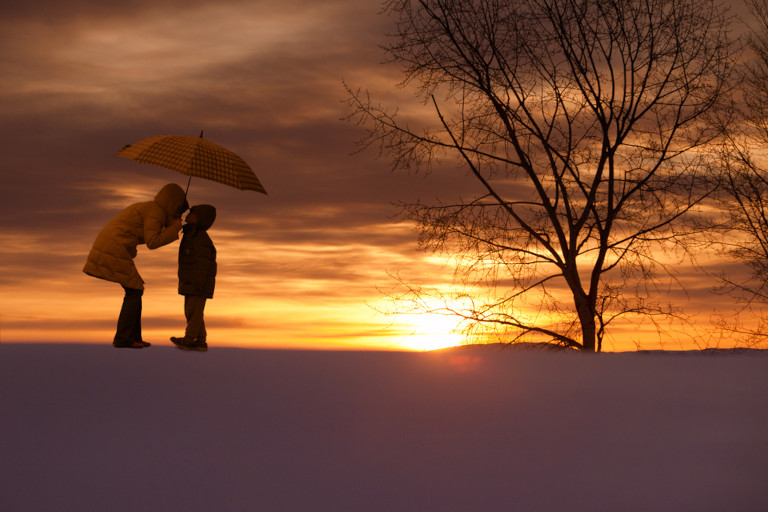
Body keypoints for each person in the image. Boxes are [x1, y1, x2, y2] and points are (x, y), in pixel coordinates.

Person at [83, 183, 188, 348]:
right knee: (135, 290)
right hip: (113, 247)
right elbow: (152, 241)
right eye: (178, 210)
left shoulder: (153, 209)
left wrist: (172, 226)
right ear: (172, 204)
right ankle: (124, 338)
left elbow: (147, 231)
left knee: (135, 290)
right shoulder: (156, 212)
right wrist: (174, 228)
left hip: (113, 246)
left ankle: (133, 337)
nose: (178, 214)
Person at [170, 204, 217, 352]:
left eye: (192, 213)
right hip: (190, 281)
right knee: (193, 312)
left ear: (199, 219)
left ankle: (189, 340)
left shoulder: (200, 238)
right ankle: (201, 341)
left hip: (197, 283)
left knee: (193, 312)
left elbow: (202, 264)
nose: (188, 215)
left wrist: (197, 283)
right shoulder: (191, 234)